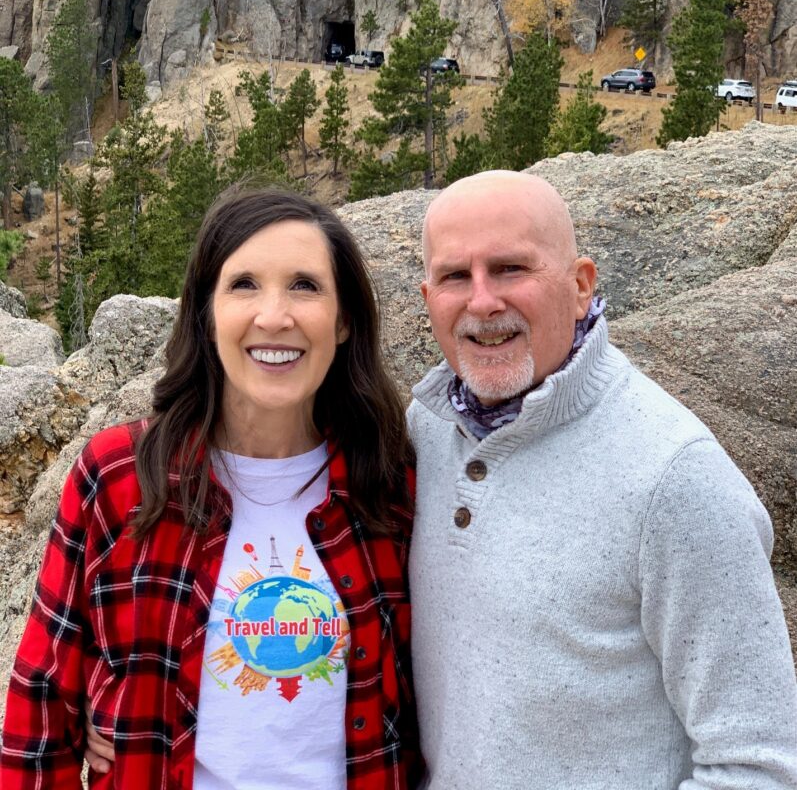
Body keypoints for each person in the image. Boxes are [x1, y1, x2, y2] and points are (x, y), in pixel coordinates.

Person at [0, 186, 421, 790]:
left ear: (345, 318)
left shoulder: (390, 482)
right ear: (205, 311)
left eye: (305, 285)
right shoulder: (121, 477)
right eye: (243, 284)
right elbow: (41, 703)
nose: (274, 315)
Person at [408, 169, 797, 790]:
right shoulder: (426, 432)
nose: (482, 301)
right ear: (429, 297)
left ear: (581, 284)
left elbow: (761, 762)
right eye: (457, 276)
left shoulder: (675, 475)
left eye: (511, 268)